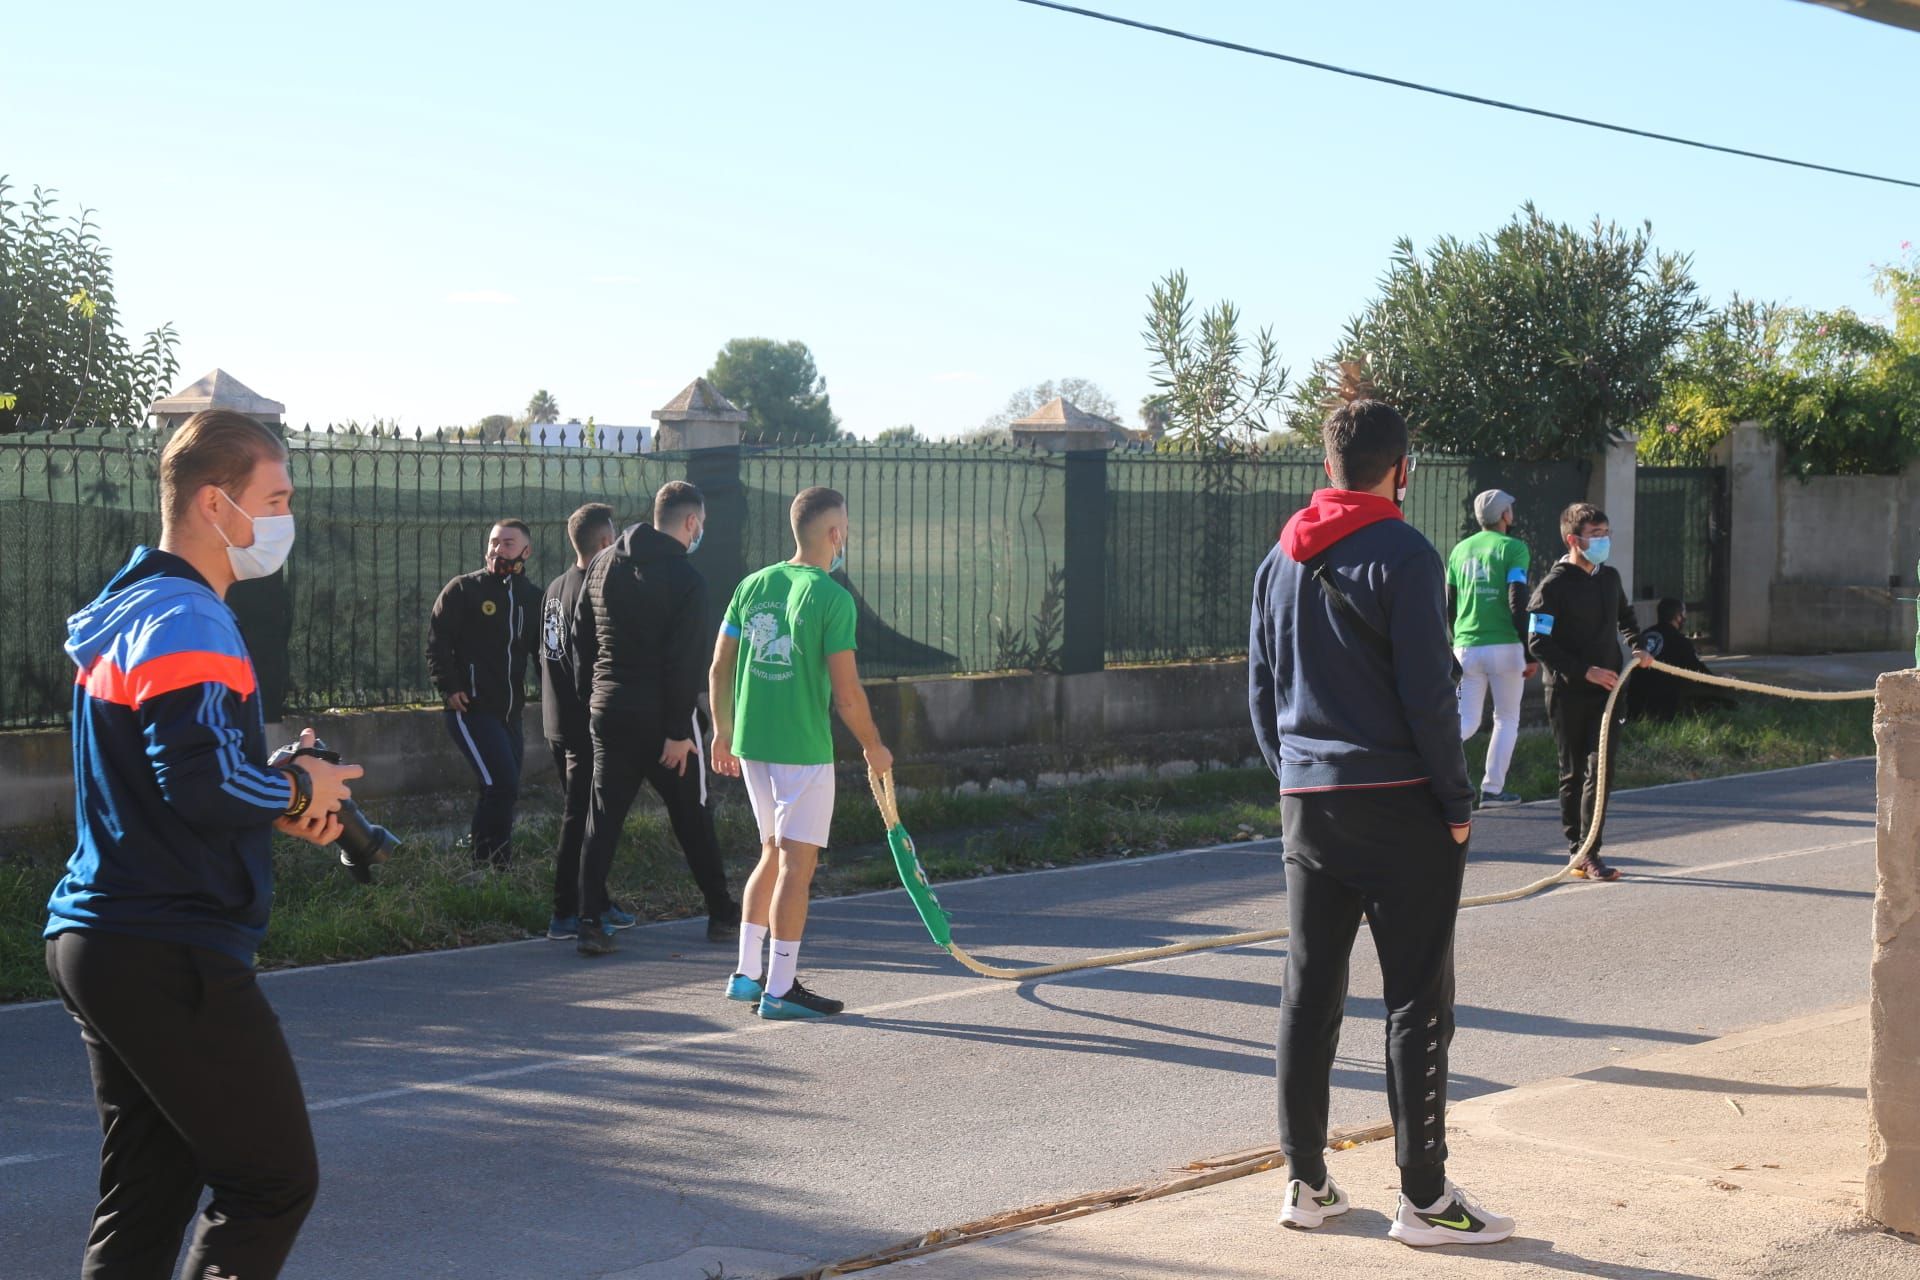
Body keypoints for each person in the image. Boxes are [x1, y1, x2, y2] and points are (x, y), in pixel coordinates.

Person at [44, 409, 363, 1278]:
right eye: (277, 498)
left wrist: (272, 792)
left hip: (101, 933)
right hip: (166, 941)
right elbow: (204, 783)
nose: (288, 517)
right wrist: (296, 789)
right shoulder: (190, 617)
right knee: (271, 1182)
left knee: (148, 1195)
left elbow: (179, 775)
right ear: (216, 504)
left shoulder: (133, 607)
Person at [1250, 383, 1514, 1247]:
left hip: (1308, 804)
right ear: (1403, 470)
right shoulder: (1407, 554)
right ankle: (1425, 1199)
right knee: (1417, 1002)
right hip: (1401, 804)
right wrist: (1457, 802)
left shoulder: (1278, 560)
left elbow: (1260, 692)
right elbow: (1430, 698)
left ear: (1327, 464)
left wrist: (1297, 776)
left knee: (1308, 993)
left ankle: (1306, 1183)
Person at [709, 486, 893, 1020]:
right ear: (835, 534)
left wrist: (721, 732)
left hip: (753, 745)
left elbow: (719, 667)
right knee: (796, 864)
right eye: (846, 528)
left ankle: (747, 975)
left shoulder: (752, 585)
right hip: (802, 751)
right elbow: (847, 694)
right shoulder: (833, 598)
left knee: (770, 852)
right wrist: (874, 746)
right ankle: (781, 988)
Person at [570, 482, 742, 956]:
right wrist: (677, 732)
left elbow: (580, 636)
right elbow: (685, 662)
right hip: (663, 720)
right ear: (690, 522)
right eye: (701, 525)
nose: (700, 533)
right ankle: (721, 912)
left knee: (602, 818)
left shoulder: (602, 564)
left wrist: (593, 697)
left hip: (609, 711)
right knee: (693, 815)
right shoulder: (686, 579)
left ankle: (589, 922)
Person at [1526, 503, 1652, 882]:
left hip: (1609, 693)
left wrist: (1638, 646)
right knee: (1574, 771)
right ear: (1573, 540)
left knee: (1601, 770)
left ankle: (1590, 850)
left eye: (1606, 534)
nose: (1603, 541)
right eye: (1595, 535)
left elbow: (1626, 616)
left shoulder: (1609, 578)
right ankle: (1576, 849)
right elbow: (1538, 642)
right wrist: (1585, 671)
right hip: (1568, 693)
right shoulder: (1552, 587)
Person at [427, 518, 542, 873]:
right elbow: (438, 642)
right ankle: (490, 867)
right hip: (471, 709)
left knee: (500, 787)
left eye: (508, 543)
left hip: (510, 713)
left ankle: (490, 868)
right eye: (494, 542)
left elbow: (543, 654)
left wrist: (556, 695)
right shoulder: (464, 589)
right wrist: (450, 687)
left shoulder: (532, 598)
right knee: (502, 785)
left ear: (526, 551)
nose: (498, 549)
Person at [538, 502, 624, 940]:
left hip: (555, 719)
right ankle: (564, 911)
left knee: (587, 816)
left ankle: (598, 900)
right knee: (580, 818)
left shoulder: (556, 586)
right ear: (606, 541)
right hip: (581, 724)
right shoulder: (596, 587)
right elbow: (585, 661)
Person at [1445, 488, 1537, 807]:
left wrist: (1456, 638)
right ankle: (1493, 790)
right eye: (1509, 508)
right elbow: (1517, 599)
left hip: (1466, 646)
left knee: (1466, 721)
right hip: (1505, 646)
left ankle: (1426, 768)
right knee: (1506, 718)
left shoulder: (1459, 550)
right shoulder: (1514, 548)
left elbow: (1450, 603)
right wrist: (1528, 650)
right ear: (1504, 515)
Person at [1628, 597, 1729, 722]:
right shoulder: (1680, 641)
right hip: (1660, 708)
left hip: (1635, 704)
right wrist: (1720, 682)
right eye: (1684, 613)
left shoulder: (1645, 635)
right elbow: (1697, 671)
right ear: (1678, 617)